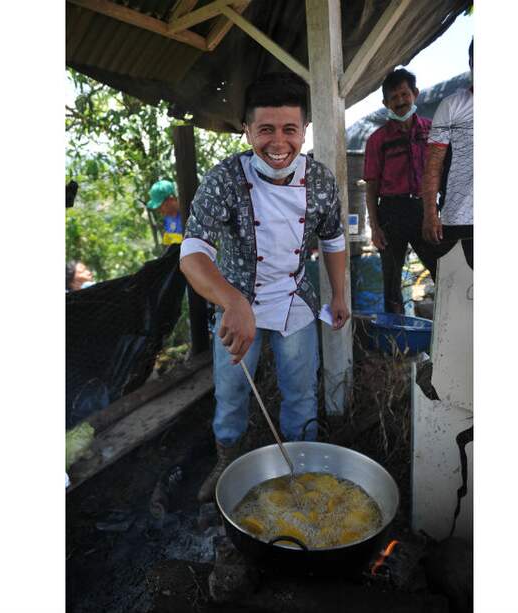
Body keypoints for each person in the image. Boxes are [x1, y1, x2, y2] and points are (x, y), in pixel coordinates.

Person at [179, 72, 350, 502]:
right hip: (237, 300)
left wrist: (339, 293)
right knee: (232, 391)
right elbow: (193, 251)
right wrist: (232, 301)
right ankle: (226, 459)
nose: (279, 143)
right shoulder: (225, 179)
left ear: (304, 131)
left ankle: (300, 469)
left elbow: (333, 237)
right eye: (266, 130)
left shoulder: (321, 181)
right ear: (247, 130)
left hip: (295, 301)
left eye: (290, 130)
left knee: (300, 395)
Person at [363, 68, 434, 314]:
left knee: (442, 271)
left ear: (414, 94)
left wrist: (435, 211)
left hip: (425, 208)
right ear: (386, 104)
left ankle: (446, 336)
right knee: (391, 282)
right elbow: (371, 187)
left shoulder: (432, 130)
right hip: (391, 212)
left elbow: (444, 174)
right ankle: (398, 347)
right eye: (394, 98)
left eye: (404, 94)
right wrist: (375, 226)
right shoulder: (377, 140)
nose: (400, 101)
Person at [421, 39, 474, 270]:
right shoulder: (452, 106)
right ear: (472, 63)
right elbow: (434, 165)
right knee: (461, 298)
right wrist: (430, 213)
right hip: (460, 218)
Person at [146, 180, 184, 245]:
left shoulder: (189, 215)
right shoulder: (168, 219)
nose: (159, 210)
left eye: (160, 206)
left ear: (171, 199)